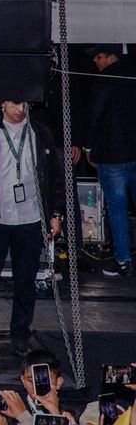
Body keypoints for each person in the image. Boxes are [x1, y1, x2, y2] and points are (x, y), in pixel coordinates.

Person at [0, 99, 65, 357]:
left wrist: (55, 213)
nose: (21, 109)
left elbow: (55, 175)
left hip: (30, 216)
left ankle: (20, 333)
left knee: (25, 280)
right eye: (15, 104)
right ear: (3, 104)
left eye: (25, 104)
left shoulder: (40, 133)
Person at [83, 44, 136, 276]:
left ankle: (123, 260)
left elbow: (94, 114)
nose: (96, 61)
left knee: (117, 209)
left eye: (99, 56)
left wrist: (87, 146)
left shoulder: (104, 81)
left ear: (111, 56)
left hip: (112, 154)